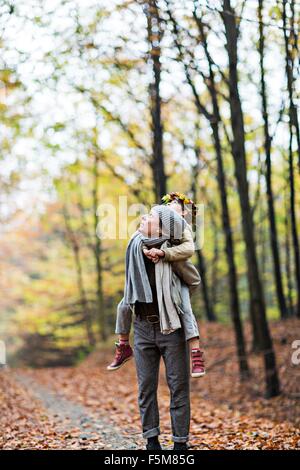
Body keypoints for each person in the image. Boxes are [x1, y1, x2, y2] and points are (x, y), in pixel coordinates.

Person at [107, 193, 205, 378]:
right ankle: (123, 344)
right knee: (125, 303)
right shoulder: (152, 224)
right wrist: (145, 250)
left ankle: (196, 353)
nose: (168, 209)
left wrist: (163, 253)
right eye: (166, 206)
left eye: (175, 209)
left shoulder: (181, 230)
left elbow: (189, 250)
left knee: (185, 306)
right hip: (144, 303)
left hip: (176, 278)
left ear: (183, 215)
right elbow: (137, 239)